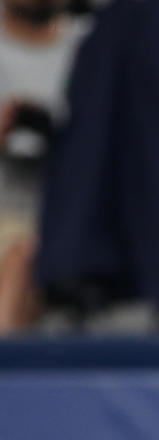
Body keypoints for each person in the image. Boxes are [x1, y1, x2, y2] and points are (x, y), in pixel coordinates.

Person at [0, 0, 89, 332]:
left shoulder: (91, 43)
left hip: (64, 220)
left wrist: (66, 136)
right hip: (6, 207)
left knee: (24, 256)